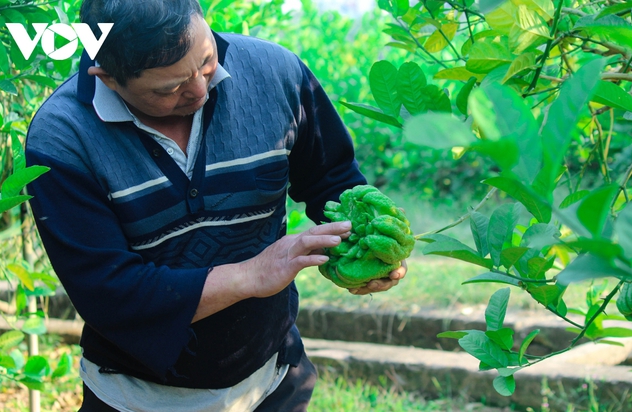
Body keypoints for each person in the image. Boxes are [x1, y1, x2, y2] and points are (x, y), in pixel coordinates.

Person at [25, 0, 407, 410]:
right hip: (137, 397)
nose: (200, 90)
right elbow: (114, 295)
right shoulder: (62, 139)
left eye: (207, 60)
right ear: (108, 78)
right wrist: (251, 275)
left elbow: (331, 179)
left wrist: (366, 249)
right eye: (168, 89)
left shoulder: (277, 73)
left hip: (272, 379)